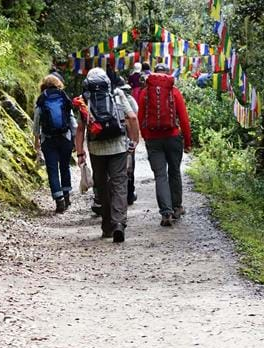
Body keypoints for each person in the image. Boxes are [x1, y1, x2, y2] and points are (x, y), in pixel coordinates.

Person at [75, 68, 140, 243]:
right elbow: (132, 117)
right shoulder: (117, 94)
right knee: (119, 183)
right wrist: (135, 140)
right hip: (118, 146)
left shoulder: (85, 99)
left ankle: (107, 226)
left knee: (101, 186)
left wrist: (80, 153)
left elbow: (80, 129)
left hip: (96, 148)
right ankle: (119, 223)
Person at [138, 63, 192, 227]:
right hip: (173, 137)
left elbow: (140, 118)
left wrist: (147, 137)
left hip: (153, 140)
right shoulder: (174, 92)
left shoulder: (145, 93)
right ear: (168, 75)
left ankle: (166, 213)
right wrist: (188, 142)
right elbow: (183, 119)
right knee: (174, 171)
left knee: (160, 176)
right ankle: (177, 207)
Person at [33, 74, 77, 213]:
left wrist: (37, 142)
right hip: (65, 138)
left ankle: (59, 201)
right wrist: (74, 140)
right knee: (64, 167)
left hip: (48, 139)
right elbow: (73, 122)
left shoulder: (42, 100)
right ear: (58, 84)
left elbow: (36, 124)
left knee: (52, 169)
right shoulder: (63, 98)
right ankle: (67, 196)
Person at [115, 76, 139, 205]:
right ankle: (129, 194)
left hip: (110, 137)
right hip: (127, 137)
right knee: (129, 168)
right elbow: (134, 115)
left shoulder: (105, 98)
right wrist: (135, 139)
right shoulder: (129, 99)